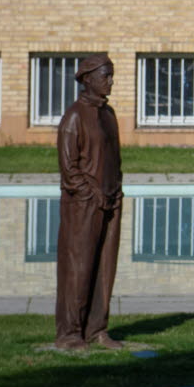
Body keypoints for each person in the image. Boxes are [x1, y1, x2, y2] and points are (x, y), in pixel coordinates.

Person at [55, 54, 124, 352]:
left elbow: (115, 159)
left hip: (111, 200)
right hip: (83, 205)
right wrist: (90, 194)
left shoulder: (108, 114)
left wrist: (116, 192)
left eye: (111, 75)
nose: (111, 81)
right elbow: (69, 170)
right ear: (88, 79)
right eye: (106, 75)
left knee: (105, 268)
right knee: (78, 267)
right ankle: (70, 333)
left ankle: (97, 329)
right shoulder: (73, 117)